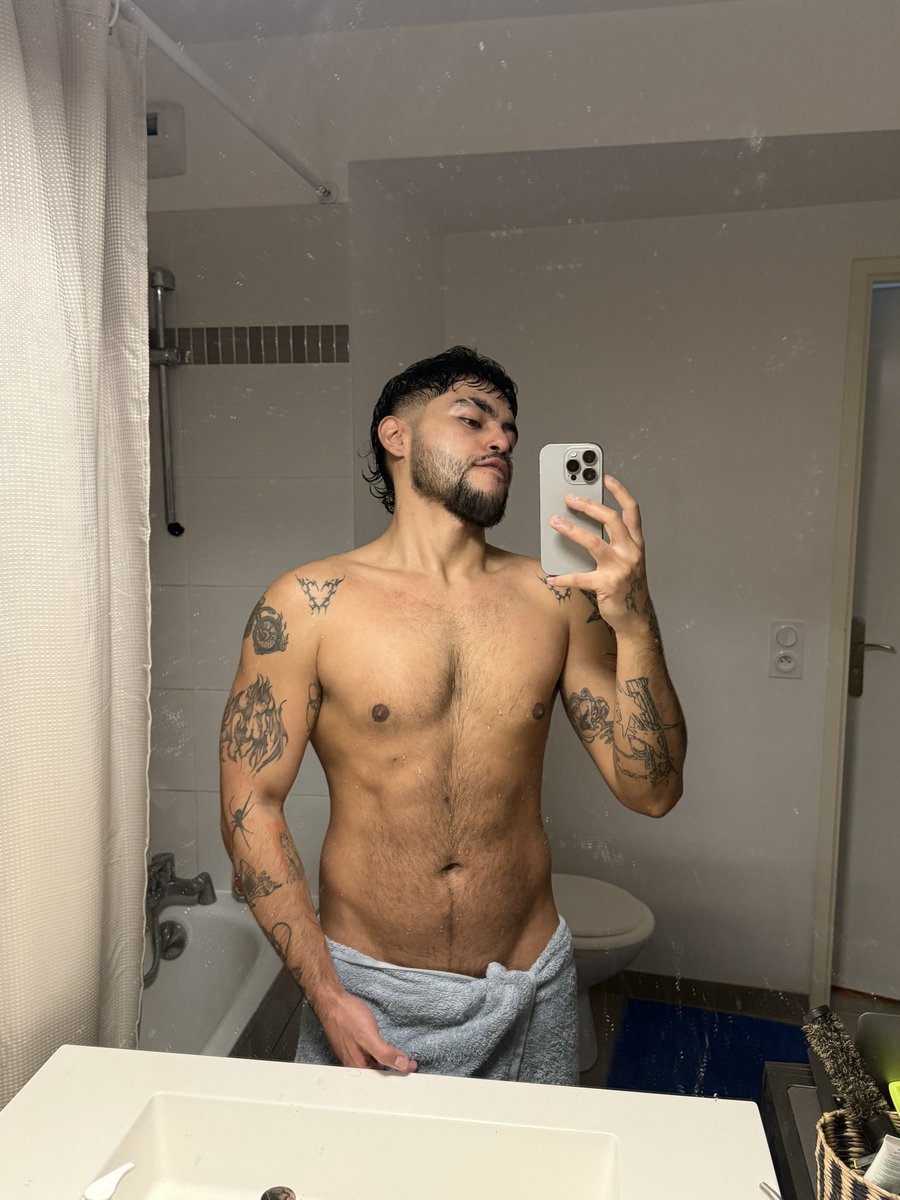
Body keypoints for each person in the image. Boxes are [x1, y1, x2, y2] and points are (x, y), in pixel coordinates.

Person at [219, 345, 685, 1085]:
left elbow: (651, 791)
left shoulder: (557, 599)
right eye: (473, 419)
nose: (501, 439)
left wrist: (633, 618)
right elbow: (251, 806)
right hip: (368, 995)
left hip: (528, 988)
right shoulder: (309, 604)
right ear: (395, 436)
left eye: (509, 429)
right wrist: (327, 996)